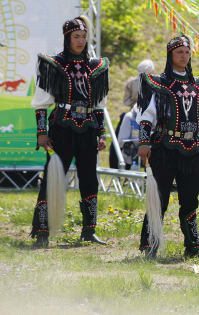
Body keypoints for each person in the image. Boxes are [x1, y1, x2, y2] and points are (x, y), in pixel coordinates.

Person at [136, 35, 199, 260]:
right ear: (170, 55)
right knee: (160, 197)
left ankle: (193, 246)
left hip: (192, 148)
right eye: (179, 52)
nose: (184, 56)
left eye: (187, 52)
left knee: (190, 199)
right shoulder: (160, 83)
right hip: (165, 149)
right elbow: (147, 116)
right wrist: (144, 142)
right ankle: (150, 244)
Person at [31, 16, 109, 247]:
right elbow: (42, 102)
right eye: (76, 36)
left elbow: (98, 104)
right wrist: (42, 133)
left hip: (87, 129)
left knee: (89, 179)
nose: (81, 40)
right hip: (62, 128)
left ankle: (89, 230)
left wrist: (101, 132)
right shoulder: (54, 64)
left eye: (84, 36)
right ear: (67, 37)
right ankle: (42, 230)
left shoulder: (94, 66)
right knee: (53, 177)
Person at [110, 60, 155, 169]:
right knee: (120, 139)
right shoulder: (133, 82)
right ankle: (118, 166)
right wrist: (137, 104)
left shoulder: (155, 83)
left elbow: (126, 100)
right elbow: (126, 100)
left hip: (149, 115)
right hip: (133, 115)